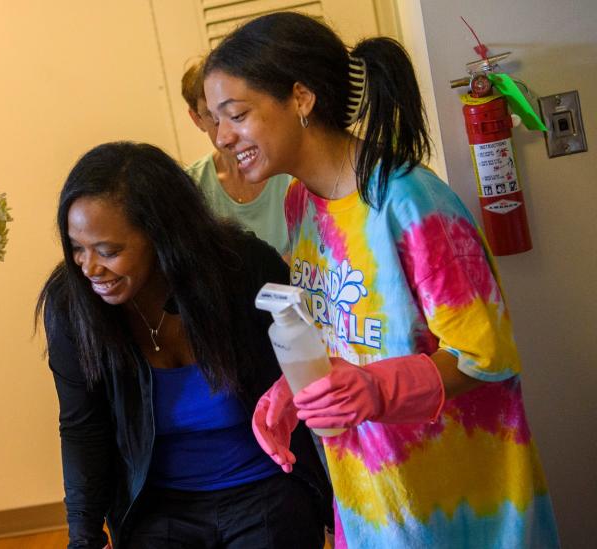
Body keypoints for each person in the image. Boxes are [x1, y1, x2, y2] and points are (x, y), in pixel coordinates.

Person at [203, 12, 559, 548]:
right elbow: (344, 334)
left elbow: (486, 355)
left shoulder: (407, 199)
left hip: (459, 508)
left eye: (236, 115)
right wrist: (293, 391)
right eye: (214, 119)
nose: (222, 137)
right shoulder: (302, 202)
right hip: (373, 500)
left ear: (301, 98)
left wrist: (374, 388)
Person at [36, 141, 332, 548]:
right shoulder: (73, 305)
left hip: (267, 487)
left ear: (162, 236)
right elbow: (83, 428)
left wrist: (332, 500)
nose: (89, 268)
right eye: (76, 249)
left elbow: (313, 380)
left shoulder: (242, 271)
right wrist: (83, 537)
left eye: (109, 251)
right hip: (157, 506)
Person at [180, 57, 294, 259]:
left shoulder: (291, 167)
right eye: (214, 118)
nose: (227, 133)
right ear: (196, 119)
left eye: (236, 114)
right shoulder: (189, 189)